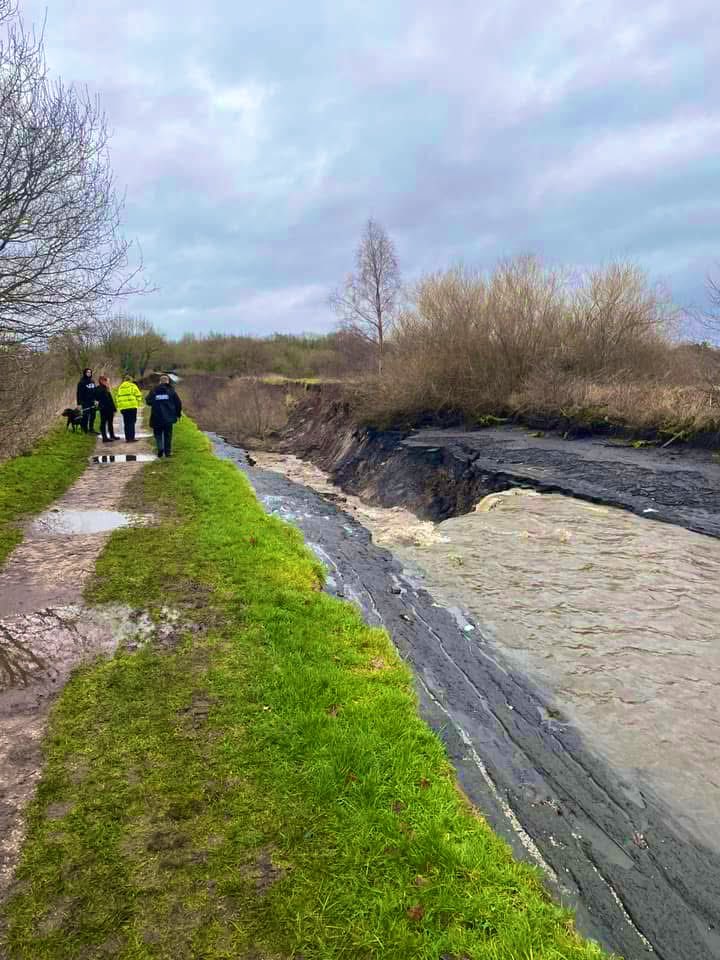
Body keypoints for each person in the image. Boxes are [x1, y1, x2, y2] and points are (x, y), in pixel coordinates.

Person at [146, 375, 182, 458]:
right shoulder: (171, 391)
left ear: (160, 381)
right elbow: (178, 403)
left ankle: (160, 448)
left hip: (156, 417)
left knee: (158, 434)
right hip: (168, 418)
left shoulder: (154, 390)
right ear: (168, 381)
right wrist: (178, 414)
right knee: (168, 435)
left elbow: (148, 401)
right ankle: (167, 453)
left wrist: (155, 403)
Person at [116, 372, 143, 442]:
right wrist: (137, 403)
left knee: (126, 423)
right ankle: (132, 437)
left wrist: (120, 407)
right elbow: (138, 395)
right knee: (132, 422)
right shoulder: (133, 386)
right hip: (132, 407)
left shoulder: (120, 387)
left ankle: (127, 438)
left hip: (124, 408)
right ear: (130, 380)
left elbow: (118, 398)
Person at [96, 376, 118, 443]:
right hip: (104, 408)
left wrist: (114, 409)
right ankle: (104, 438)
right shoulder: (99, 389)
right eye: (107, 381)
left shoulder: (106, 388)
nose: (108, 383)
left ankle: (112, 435)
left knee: (110, 422)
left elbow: (110, 400)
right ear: (102, 381)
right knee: (103, 423)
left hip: (110, 408)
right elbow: (98, 399)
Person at [76, 368, 98, 434]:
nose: (89, 373)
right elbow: (78, 393)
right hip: (85, 402)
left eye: (90, 372)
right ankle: (85, 430)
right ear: (85, 373)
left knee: (93, 415)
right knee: (85, 416)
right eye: (87, 372)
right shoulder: (81, 382)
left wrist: (96, 400)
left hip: (92, 401)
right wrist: (79, 404)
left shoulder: (92, 381)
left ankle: (91, 429)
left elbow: (95, 391)